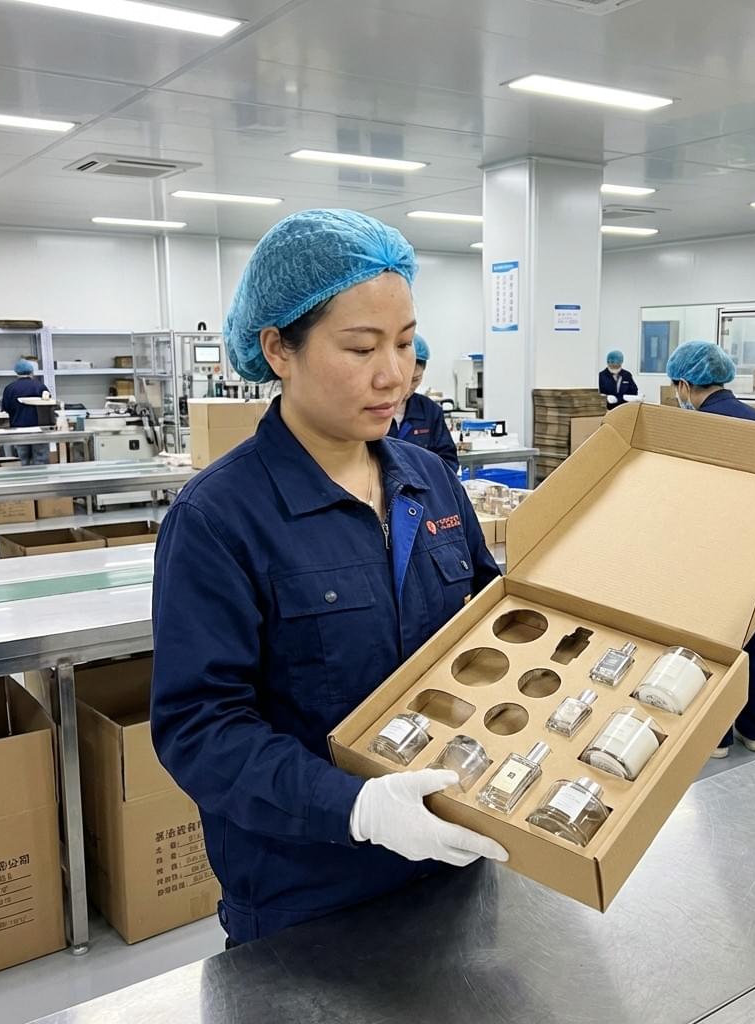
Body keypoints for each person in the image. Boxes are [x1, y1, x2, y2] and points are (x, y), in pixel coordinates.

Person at [149, 210, 507, 949]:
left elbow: (489, 628)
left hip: (454, 852)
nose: (395, 376)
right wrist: (356, 807)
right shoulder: (220, 517)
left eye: (407, 345)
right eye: (361, 347)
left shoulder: (431, 482)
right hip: (308, 893)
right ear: (279, 349)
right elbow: (200, 728)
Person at [665, 340, 755, 759]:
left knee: (712, 642)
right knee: (754, 635)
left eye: (678, 386)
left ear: (686, 383)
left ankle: (719, 737)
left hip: (709, 549)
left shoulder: (696, 427)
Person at [388, 334, 460, 474]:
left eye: (415, 380)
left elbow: (448, 460)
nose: (407, 388)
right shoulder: (372, 410)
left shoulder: (430, 411)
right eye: (403, 379)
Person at [1, 359, 50, 466]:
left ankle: (25, 481)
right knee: (40, 461)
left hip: (18, 429)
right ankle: (42, 482)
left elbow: (6, 408)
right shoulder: (40, 386)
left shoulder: (10, 388)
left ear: (16, 372)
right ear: (31, 372)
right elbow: (49, 405)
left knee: (22, 461)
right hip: (39, 429)